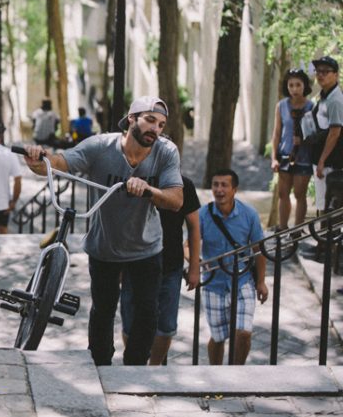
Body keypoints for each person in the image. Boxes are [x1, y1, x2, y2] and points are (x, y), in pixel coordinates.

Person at [22, 95, 183, 366]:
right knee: (103, 310)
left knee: (146, 313)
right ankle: (100, 366)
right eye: (150, 121)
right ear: (131, 119)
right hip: (104, 245)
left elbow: (176, 200)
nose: (156, 129)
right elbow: (59, 162)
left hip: (146, 247)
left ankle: (134, 372)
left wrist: (148, 189)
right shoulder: (101, 146)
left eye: (161, 125)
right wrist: (38, 159)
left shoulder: (166, 152)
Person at [120, 174, 201, 366]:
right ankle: (134, 365)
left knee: (166, 325)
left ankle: (154, 368)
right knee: (130, 322)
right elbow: (120, 222)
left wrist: (195, 267)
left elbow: (194, 226)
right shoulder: (135, 181)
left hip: (170, 264)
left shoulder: (184, 184)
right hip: (135, 262)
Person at [199, 169, 269, 365]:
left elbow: (259, 249)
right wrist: (194, 262)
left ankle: (237, 372)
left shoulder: (249, 214)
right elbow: (188, 245)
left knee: (244, 332)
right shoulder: (203, 214)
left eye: (224, 185)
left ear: (234, 189)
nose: (219, 190)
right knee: (218, 337)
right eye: (215, 185)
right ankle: (216, 373)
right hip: (214, 284)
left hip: (243, 280)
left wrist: (261, 282)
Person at [270, 68, 314, 229]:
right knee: (283, 194)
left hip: (304, 157)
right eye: (291, 85)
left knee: (299, 194)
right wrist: (274, 158)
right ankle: (282, 229)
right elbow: (276, 134)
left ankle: (297, 230)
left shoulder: (311, 107)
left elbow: (315, 134)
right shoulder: (281, 106)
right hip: (285, 155)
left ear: (304, 86)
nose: (294, 89)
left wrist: (303, 139)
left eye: (298, 85)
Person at [310, 56, 343, 217]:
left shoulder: (335, 100)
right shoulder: (325, 95)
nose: (320, 75)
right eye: (318, 71)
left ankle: (327, 242)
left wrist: (322, 161)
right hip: (321, 159)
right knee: (324, 203)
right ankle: (325, 241)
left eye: (325, 71)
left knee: (329, 205)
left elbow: (335, 132)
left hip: (330, 162)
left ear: (335, 75)